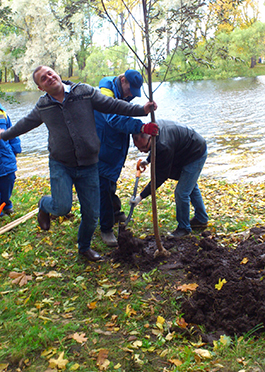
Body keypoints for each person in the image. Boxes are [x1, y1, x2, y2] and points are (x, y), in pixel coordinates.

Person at [0, 65, 157, 261]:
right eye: (43, 78)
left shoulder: (84, 92)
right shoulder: (43, 106)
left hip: (89, 164)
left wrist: (141, 110)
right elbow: (25, 123)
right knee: (62, 207)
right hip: (61, 163)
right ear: (41, 88)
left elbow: (113, 105)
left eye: (50, 73)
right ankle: (44, 205)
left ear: (57, 74)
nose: (48, 78)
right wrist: (4, 135)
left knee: (91, 215)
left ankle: (84, 248)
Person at [94, 69, 158, 247]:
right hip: (103, 148)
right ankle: (106, 228)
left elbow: (126, 111)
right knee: (104, 187)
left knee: (110, 184)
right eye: (130, 90)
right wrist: (142, 127)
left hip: (115, 148)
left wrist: (142, 110)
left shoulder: (122, 94)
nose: (131, 95)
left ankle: (114, 213)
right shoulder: (105, 92)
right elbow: (113, 118)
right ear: (122, 80)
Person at [132, 119, 208, 237]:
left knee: (181, 193)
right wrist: (148, 160)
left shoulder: (163, 145)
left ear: (150, 139)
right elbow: (153, 148)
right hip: (184, 150)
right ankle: (201, 219)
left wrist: (140, 197)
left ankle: (184, 229)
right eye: (138, 148)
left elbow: (160, 176)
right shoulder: (152, 129)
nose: (141, 151)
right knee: (189, 186)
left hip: (195, 152)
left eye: (143, 148)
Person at [0, 104, 21, 215]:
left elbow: (13, 133)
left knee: (8, 181)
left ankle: (6, 205)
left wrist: (16, 150)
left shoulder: (2, 113)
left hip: (5, 157)